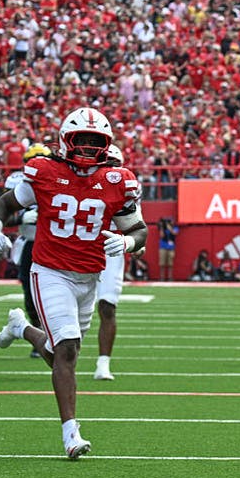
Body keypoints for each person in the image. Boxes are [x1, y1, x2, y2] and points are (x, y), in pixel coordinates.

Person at [0, 106, 147, 459]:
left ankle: (21, 328)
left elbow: (139, 229)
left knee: (61, 354)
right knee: (69, 349)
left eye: (95, 142)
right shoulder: (44, 171)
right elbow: (6, 202)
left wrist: (129, 242)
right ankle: (71, 434)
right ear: (65, 140)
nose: (88, 148)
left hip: (89, 276)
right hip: (50, 270)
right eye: (82, 140)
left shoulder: (118, 180)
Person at [6, 142, 51, 358]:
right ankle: (38, 337)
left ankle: (51, 336)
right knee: (30, 296)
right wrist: (22, 217)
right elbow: (5, 215)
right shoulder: (18, 181)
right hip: (29, 243)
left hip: (52, 244)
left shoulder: (58, 179)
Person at [94, 145, 130, 381]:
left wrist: (132, 242)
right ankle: (25, 329)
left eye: (115, 164)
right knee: (72, 313)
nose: (112, 170)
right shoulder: (84, 183)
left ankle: (103, 363)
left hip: (111, 251)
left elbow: (135, 225)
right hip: (78, 248)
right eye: (108, 164)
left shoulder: (127, 189)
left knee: (107, 306)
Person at [157, 217, 178, 281]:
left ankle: (170, 277)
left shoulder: (175, 227)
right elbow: (161, 236)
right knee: (162, 264)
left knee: (170, 264)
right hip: (163, 247)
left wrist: (169, 227)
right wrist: (162, 227)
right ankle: (162, 277)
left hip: (171, 248)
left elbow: (174, 233)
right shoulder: (163, 228)